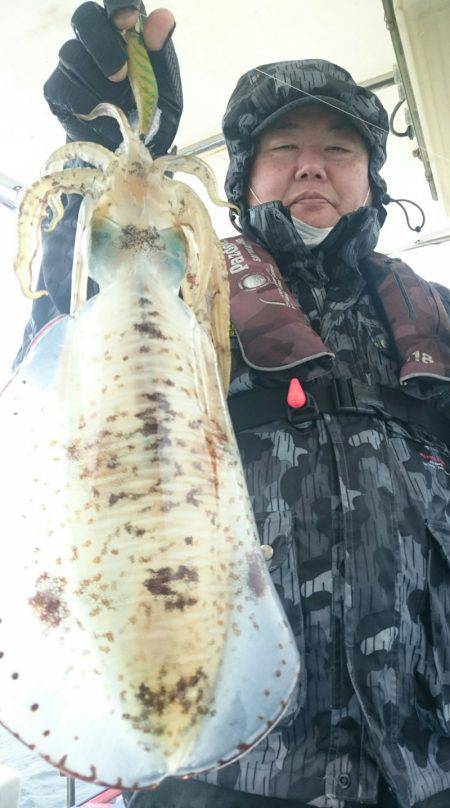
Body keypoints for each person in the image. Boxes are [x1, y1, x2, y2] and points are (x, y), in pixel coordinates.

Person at [14, 3, 450, 807]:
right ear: (243, 177)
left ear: (371, 176)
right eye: (284, 148)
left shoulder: (437, 316)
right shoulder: (183, 292)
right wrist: (100, 177)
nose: (312, 165)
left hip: (426, 768)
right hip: (227, 773)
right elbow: (64, 352)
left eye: (339, 148)